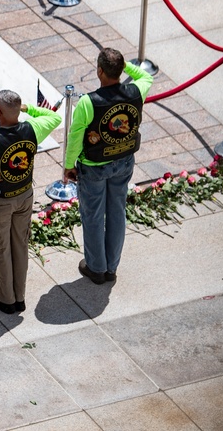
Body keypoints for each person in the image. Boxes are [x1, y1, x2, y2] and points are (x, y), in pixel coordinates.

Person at [64, 48, 153, 284]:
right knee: (116, 212)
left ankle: (96, 268)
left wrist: (68, 165)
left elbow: (75, 138)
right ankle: (111, 267)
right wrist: (126, 67)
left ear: (99, 71)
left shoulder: (87, 102)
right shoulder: (136, 90)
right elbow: (147, 77)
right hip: (124, 161)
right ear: (121, 70)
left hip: (94, 166)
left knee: (92, 216)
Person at [0, 90, 62, 314]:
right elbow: (54, 118)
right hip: (24, 196)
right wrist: (27, 108)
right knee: (20, 245)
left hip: (0, 202)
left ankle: (6, 300)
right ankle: (19, 297)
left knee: (1, 249)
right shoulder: (32, 129)